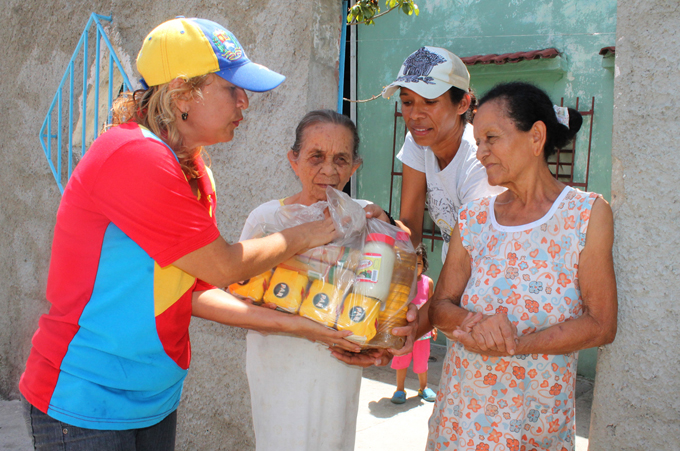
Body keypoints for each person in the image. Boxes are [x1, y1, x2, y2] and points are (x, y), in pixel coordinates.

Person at [19, 18, 357, 450]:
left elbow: (191, 291)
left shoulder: (193, 169)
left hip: (152, 399)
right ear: (182, 94)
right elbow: (223, 266)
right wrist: (312, 232)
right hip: (86, 400)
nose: (244, 103)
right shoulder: (134, 156)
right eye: (231, 89)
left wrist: (299, 326)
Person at [419, 81, 618, 450]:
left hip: (534, 423)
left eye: (491, 138)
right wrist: (472, 323)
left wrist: (516, 344)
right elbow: (440, 306)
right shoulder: (474, 217)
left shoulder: (585, 215)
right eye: (477, 142)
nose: (481, 153)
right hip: (461, 420)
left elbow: (601, 325)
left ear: (536, 136)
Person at [239, 109, 415, 451]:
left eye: (341, 159)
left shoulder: (365, 218)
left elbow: (399, 282)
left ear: (355, 166)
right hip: (278, 363)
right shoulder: (267, 219)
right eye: (316, 157)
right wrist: (301, 325)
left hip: (338, 366)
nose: (329, 170)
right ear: (293, 159)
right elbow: (239, 297)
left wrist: (391, 336)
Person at [382, 46, 505, 262]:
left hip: (492, 278)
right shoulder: (418, 143)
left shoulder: (479, 163)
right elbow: (411, 229)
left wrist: (440, 296)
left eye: (430, 102)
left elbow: (471, 256)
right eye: (407, 102)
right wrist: (380, 223)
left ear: (462, 104)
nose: (415, 115)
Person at [390, 243, 438, 404]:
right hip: (404, 331)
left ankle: (423, 387)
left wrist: (434, 326)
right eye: (411, 263)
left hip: (423, 332)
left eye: (418, 263)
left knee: (421, 361)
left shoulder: (428, 282)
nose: (415, 267)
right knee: (401, 360)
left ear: (424, 264)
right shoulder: (402, 282)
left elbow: (432, 305)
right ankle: (399, 389)